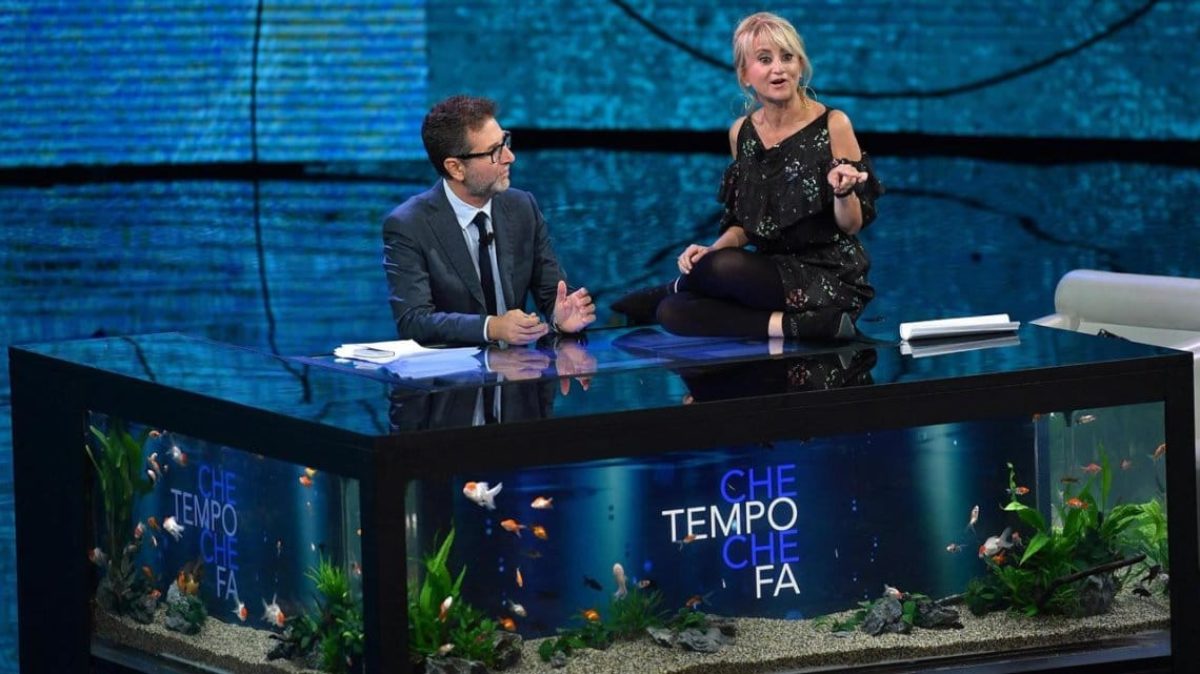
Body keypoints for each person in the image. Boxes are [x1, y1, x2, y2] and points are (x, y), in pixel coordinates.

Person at [612, 11, 883, 339]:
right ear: (744, 75)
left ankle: (674, 286)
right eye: (765, 59)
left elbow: (852, 225)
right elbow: (744, 225)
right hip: (768, 275)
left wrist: (843, 192)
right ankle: (803, 327)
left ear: (800, 66)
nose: (778, 68)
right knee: (673, 312)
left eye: (787, 57)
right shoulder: (741, 133)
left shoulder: (833, 124)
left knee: (720, 268)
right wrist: (712, 249)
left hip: (829, 274)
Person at [383, 95, 595, 346]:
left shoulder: (523, 207)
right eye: (494, 151)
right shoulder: (409, 225)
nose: (509, 157)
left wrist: (560, 317)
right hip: (452, 370)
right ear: (455, 168)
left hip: (520, 367)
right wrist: (491, 327)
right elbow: (414, 321)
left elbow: (552, 293)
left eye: (505, 141)